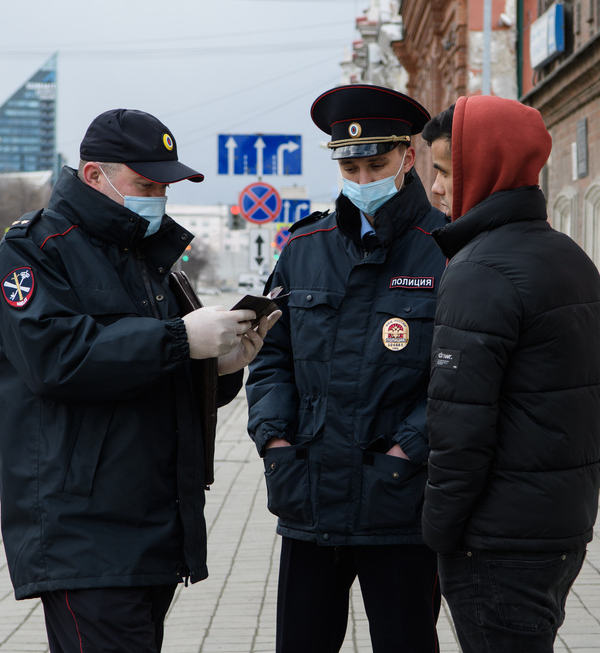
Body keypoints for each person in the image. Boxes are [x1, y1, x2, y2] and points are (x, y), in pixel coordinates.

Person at [0, 108, 278, 653]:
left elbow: (146, 380)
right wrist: (179, 341)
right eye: (145, 184)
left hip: (151, 524)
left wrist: (218, 367)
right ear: (95, 175)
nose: (158, 198)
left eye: (165, 186)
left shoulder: (148, 259)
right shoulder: (34, 250)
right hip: (84, 530)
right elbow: (56, 359)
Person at [245, 84, 447, 653]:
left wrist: (407, 451)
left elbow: (459, 381)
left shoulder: (445, 250)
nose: (362, 181)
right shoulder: (304, 247)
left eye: (375, 165)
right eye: (350, 167)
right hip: (309, 499)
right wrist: (276, 442)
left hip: (400, 504)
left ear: (408, 158)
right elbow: (269, 359)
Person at [420, 95, 600, 652]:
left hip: (496, 540)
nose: (434, 188)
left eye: (445, 172)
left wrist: (438, 531)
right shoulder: (567, 255)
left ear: (487, 167)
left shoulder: (480, 271)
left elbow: (460, 428)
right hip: (558, 526)